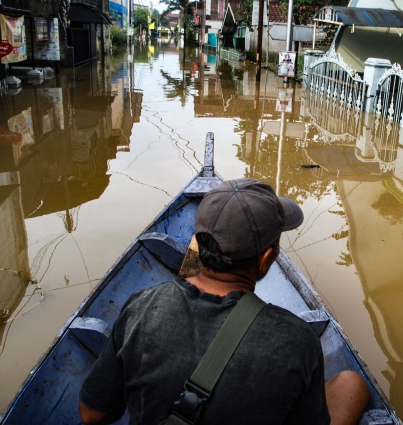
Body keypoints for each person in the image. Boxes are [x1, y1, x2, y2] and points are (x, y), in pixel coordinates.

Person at [79, 178, 369, 424]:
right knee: (351, 384)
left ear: (198, 245)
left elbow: (92, 414)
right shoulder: (297, 341)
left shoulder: (140, 308)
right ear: (267, 260)